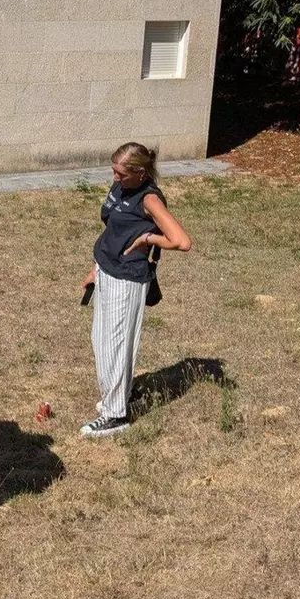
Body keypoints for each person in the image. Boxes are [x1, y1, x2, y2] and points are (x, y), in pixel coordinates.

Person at [79, 142, 191, 438]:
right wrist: (95, 268)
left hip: (127, 277)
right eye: (114, 171)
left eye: (121, 174)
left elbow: (181, 241)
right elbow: (112, 230)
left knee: (115, 345)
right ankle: (122, 394)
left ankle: (115, 415)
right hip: (107, 269)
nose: (115, 178)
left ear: (140, 172)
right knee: (101, 341)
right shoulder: (121, 187)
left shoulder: (149, 199)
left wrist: (148, 239)